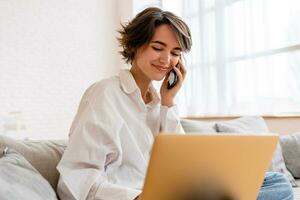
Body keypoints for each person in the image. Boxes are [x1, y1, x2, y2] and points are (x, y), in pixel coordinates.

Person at [56, 7, 293, 200]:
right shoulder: (104, 94)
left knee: (277, 183)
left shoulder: (160, 100)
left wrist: (169, 102)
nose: (166, 60)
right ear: (135, 45)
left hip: (176, 193)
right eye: (158, 48)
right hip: (136, 196)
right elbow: (76, 177)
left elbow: (179, 162)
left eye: (176, 53)